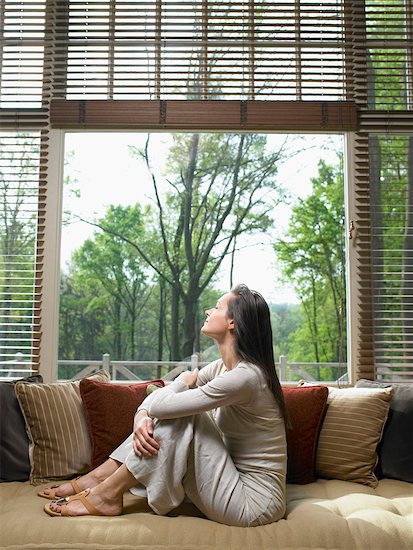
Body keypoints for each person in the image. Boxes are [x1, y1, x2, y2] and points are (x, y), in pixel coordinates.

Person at [41, 284, 288, 526]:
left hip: (254, 504)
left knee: (186, 416)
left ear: (233, 322)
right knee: (181, 411)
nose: (207, 312)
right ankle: (98, 480)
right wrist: (142, 414)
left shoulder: (246, 377)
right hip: (231, 479)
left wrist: (170, 391)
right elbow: (163, 398)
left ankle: (106, 492)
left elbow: (166, 405)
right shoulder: (223, 368)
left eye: (216, 307)